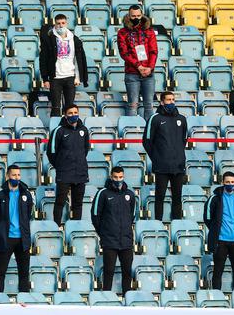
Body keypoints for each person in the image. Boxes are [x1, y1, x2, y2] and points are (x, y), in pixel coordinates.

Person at [0, 165, 34, 293]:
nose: (17, 177)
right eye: (14, 175)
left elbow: (28, 213)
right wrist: (0, 230)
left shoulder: (26, 194)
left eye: (18, 175)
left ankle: (23, 300)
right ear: (7, 176)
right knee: (1, 272)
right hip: (5, 239)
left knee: (24, 273)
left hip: (22, 240)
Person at [143, 91, 187, 222]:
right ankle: (158, 224)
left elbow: (183, 140)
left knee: (177, 198)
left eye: (173, 99)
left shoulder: (182, 119)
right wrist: (157, 158)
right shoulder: (155, 118)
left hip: (178, 165)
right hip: (162, 166)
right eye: (168, 100)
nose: (171, 102)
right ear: (162, 102)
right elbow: (146, 141)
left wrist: (178, 155)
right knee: (159, 197)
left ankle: (177, 224)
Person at [91, 167, 136, 295]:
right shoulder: (103, 193)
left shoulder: (130, 194)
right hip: (109, 241)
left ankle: (128, 299)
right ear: (111, 177)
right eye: (115, 177)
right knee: (109, 271)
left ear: (123, 176)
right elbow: (95, 215)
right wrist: (103, 233)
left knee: (127, 271)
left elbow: (132, 215)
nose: (118, 180)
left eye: (120, 177)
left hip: (126, 241)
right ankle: (106, 299)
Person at [203, 172, 234, 290]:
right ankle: (216, 299)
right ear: (223, 182)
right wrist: (215, 229)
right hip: (220, 241)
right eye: (227, 182)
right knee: (217, 272)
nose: (230, 184)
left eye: (232, 182)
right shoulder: (215, 198)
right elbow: (207, 217)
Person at [47, 104, 90, 226]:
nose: (73, 115)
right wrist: (60, 165)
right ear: (65, 115)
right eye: (70, 113)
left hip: (80, 172)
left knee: (78, 204)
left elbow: (85, 150)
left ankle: (76, 228)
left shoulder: (84, 130)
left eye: (75, 112)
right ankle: (56, 227)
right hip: (64, 173)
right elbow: (51, 152)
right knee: (60, 202)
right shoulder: (58, 131)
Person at [39, 14, 89, 118]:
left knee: (70, 107)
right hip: (55, 78)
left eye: (63, 23)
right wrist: (45, 79)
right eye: (58, 23)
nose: (61, 26)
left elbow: (79, 59)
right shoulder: (48, 39)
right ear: (55, 24)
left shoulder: (74, 39)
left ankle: (69, 131)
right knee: (56, 107)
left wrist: (78, 77)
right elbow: (43, 60)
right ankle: (56, 131)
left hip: (70, 77)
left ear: (66, 23)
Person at [117, 5, 158, 121]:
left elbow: (154, 51)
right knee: (133, 104)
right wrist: (138, 66)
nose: (136, 18)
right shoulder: (122, 32)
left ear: (142, 15)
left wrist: (149, 67)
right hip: (132, 74)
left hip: (149, 74)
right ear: (128, 16)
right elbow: (124, 53)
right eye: (133, 16)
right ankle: (132, 131)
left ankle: (150, 132)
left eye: (138, 16)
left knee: (149, 105)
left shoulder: (149, 31)